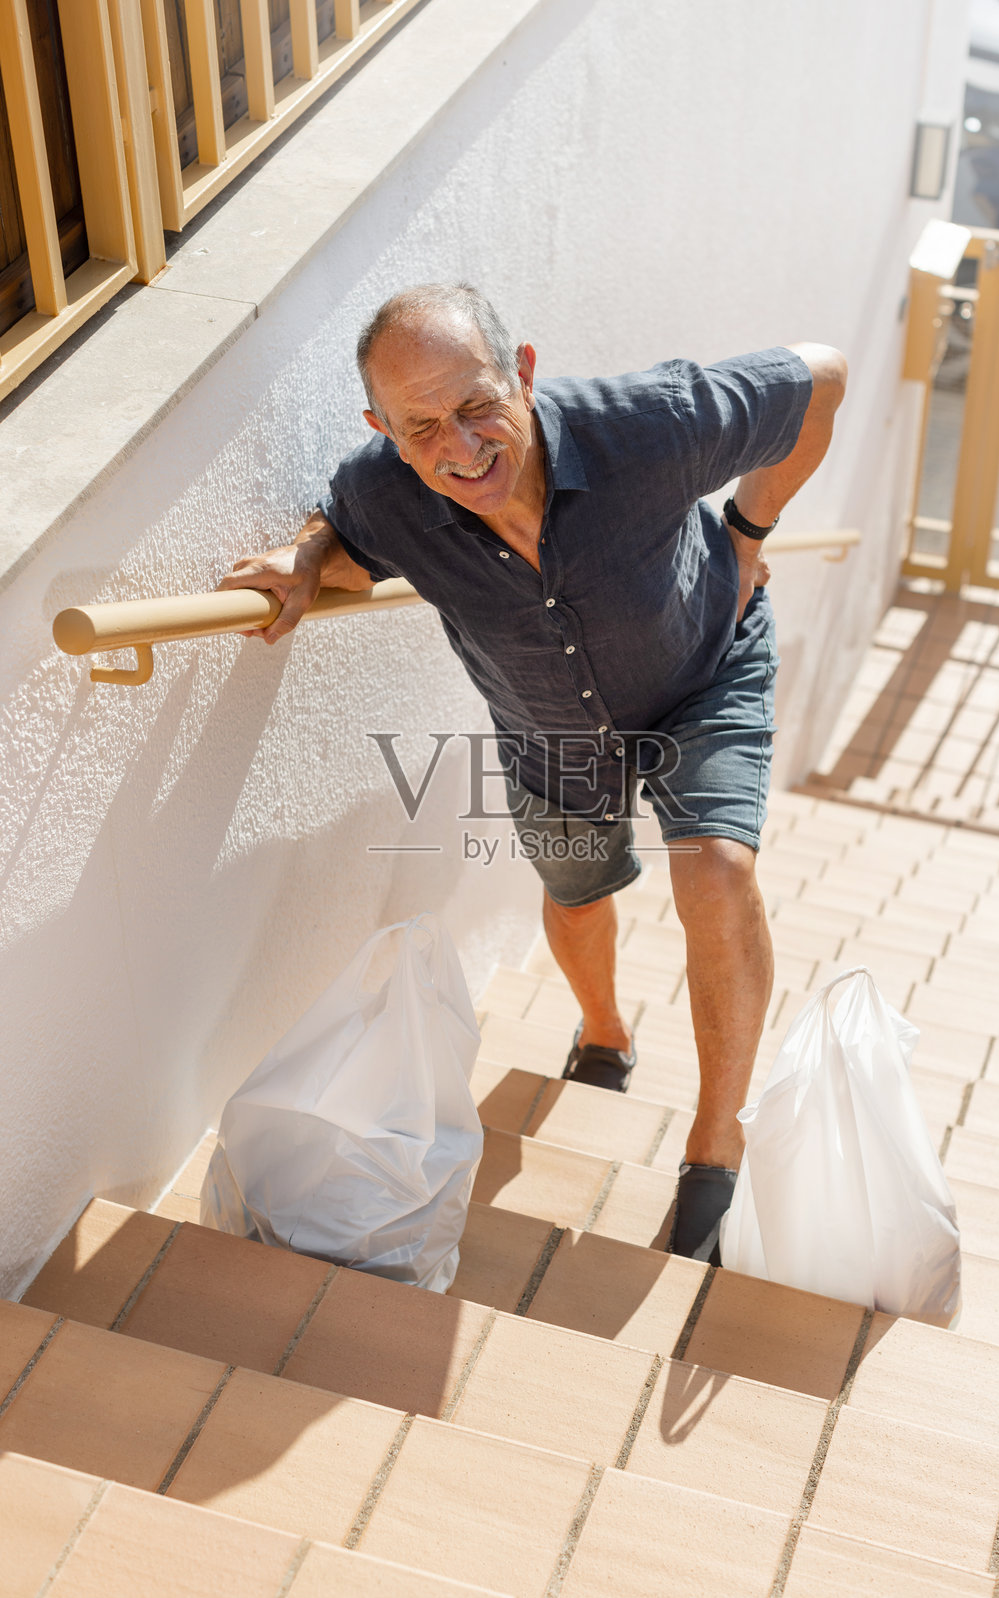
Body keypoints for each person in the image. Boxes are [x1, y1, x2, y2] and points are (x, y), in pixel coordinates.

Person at [220, 282, 847, 1262]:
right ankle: (603, 1033)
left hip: (703, 671)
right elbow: (338, 524)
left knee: (715, 871)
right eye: (421, 426)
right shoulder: (388, 490)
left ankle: (713, 1145)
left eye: (476, 407)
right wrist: (301, 560)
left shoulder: (647, 425)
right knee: (575, 898)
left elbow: (819, 377)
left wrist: (746, 535)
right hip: (547, 728)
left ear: (520, 370)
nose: (460, 448)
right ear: (380, 426)